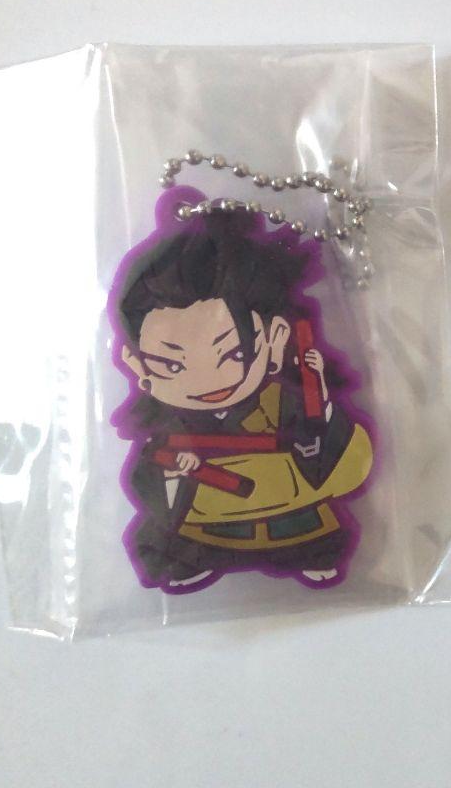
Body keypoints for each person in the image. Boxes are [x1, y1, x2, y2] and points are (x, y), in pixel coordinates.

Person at [112, 199, 372, 593]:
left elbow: (335, 454)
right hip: (206, 526)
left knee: (315, 543)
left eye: (232, 355)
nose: (207, 381)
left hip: (293, 516)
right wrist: (175, 472)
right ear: (137, 366)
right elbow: (145, 479)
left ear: (275, 338)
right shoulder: (168, 426)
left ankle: (310, 553)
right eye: (173, 366)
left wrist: (319, 402)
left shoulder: (286, 402)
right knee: (173, 546)